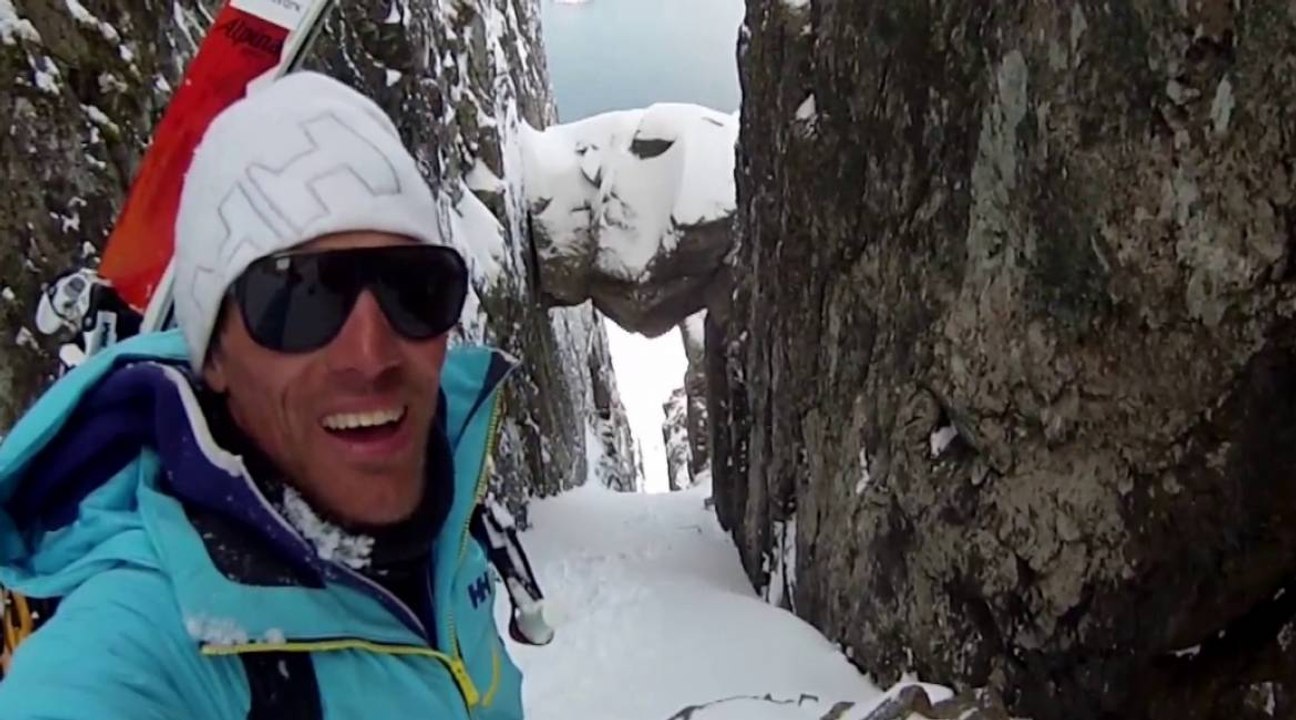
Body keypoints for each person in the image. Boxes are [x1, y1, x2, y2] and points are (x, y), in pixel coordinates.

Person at [0, 71, 525, 719]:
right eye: (300, 300)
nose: (371, 354)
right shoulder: (145, 642)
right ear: (213, 354)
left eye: (413, 289)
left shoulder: (442, 518)